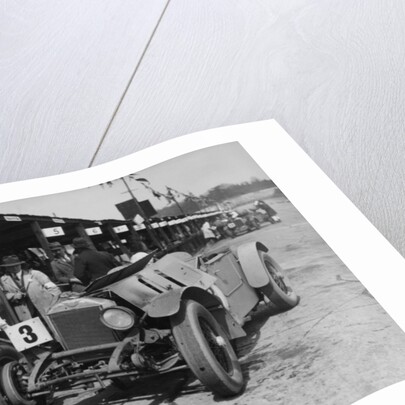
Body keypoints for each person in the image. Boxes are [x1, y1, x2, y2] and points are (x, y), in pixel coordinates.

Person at [0, 255, 61, 321]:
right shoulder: (3, 280)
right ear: (6, 268)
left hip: (46, 307)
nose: (14, 268)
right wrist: (14, 296)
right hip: (25, 313)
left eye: (16, 265)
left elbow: (54, 288)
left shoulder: (35, 274)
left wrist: (54, 304)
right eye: (11, 267)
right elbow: (3, 295)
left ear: (21, 264)